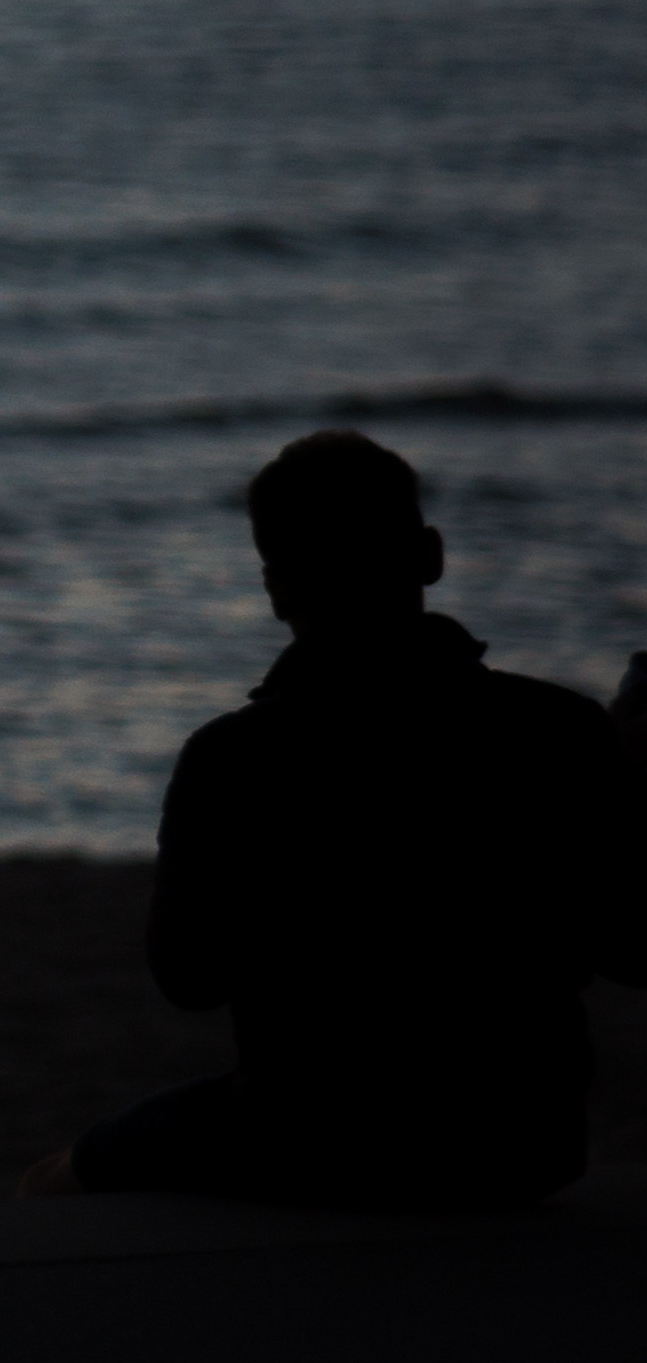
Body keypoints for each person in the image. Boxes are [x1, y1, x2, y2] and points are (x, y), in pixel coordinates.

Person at [46, 433, 631, 1212]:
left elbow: (186, 978)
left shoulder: (230, 758)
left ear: (276, 588)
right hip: (523, 1144)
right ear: (428, 556)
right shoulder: (562, 728)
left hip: (304, 1145)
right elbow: (631, 947)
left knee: (49, 1185)